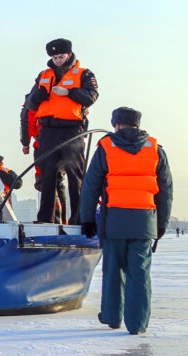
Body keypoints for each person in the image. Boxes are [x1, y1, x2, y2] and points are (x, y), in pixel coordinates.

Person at [80, 107, 172, 335]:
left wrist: (88, 218)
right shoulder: (155, 149)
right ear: (138, 125)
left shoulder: (106, 147)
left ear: (116, 124)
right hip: (144, 222)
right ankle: (137, 324)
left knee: (113, 270)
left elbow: (90, 186)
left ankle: (112, 317)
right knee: (139, 274)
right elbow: (166, 191)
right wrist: (161, 223)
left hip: (114, 221)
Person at [25, 38, 98, 224]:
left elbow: (91, 96)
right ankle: (45, 219)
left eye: (61, 56)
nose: (58, 60)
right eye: (55, 57)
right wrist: (38, 96)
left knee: (75, 175)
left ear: (69, 55)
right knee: (48, 175)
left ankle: (79, 218)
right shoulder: (43, 75)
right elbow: (30, 103)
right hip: (48, 130)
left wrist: (70, 92)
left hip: (72, 130)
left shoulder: (84, 74)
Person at [20, 104, 68, 223]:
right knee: (59, 182)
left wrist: (25, 143)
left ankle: (53, 220)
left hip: (44, 145)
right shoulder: (62, 99)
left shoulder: (34, 101)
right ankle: (63, 220)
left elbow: (27, 122)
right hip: (66, 143)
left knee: (46, 182)